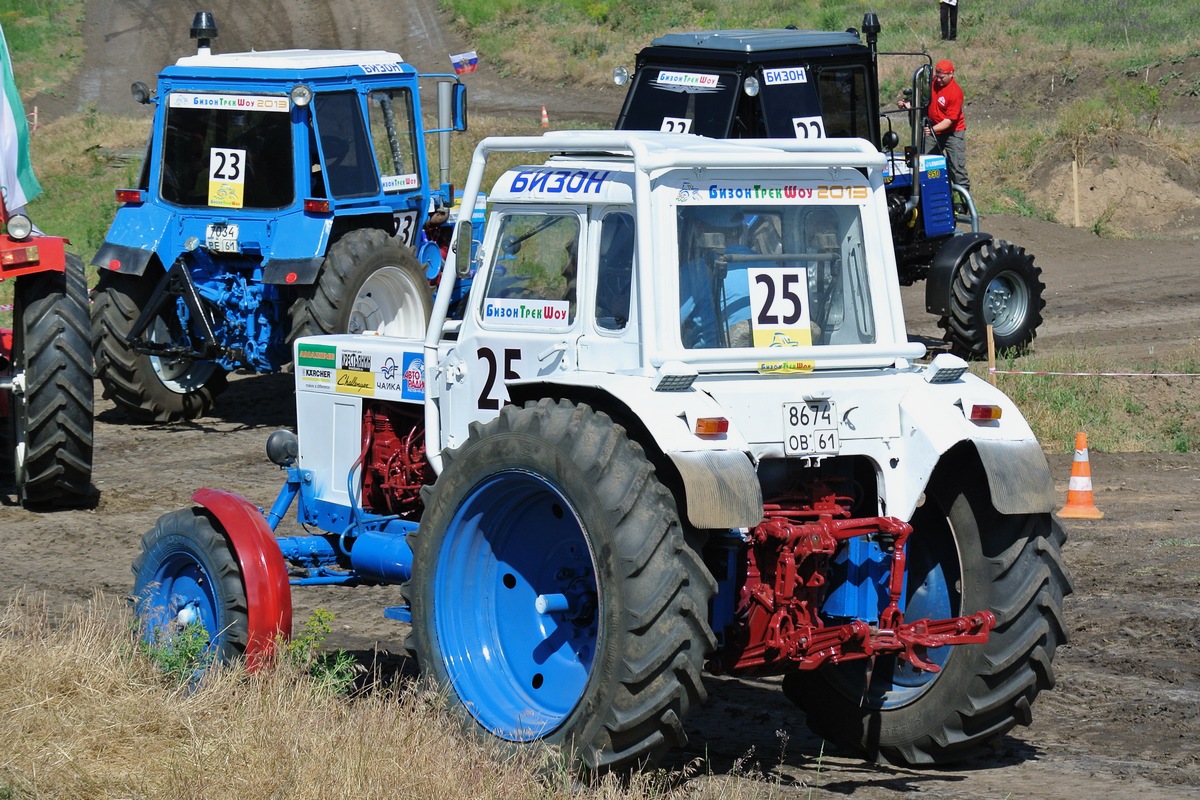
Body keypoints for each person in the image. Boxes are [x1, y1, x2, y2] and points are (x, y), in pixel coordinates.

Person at [899, 59, 969, 190]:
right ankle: (933, 193)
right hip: (933, 130)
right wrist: (908, 104)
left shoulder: (955, 92)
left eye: (942, 78)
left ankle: (964, 203)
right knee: (926, 163)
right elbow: (921, 98)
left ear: (951, 74)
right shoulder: (931, 83)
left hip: (952, 133)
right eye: (937, 77)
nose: (939, 80)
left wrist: (932, 130)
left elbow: (949, 121)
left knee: (957, 168)